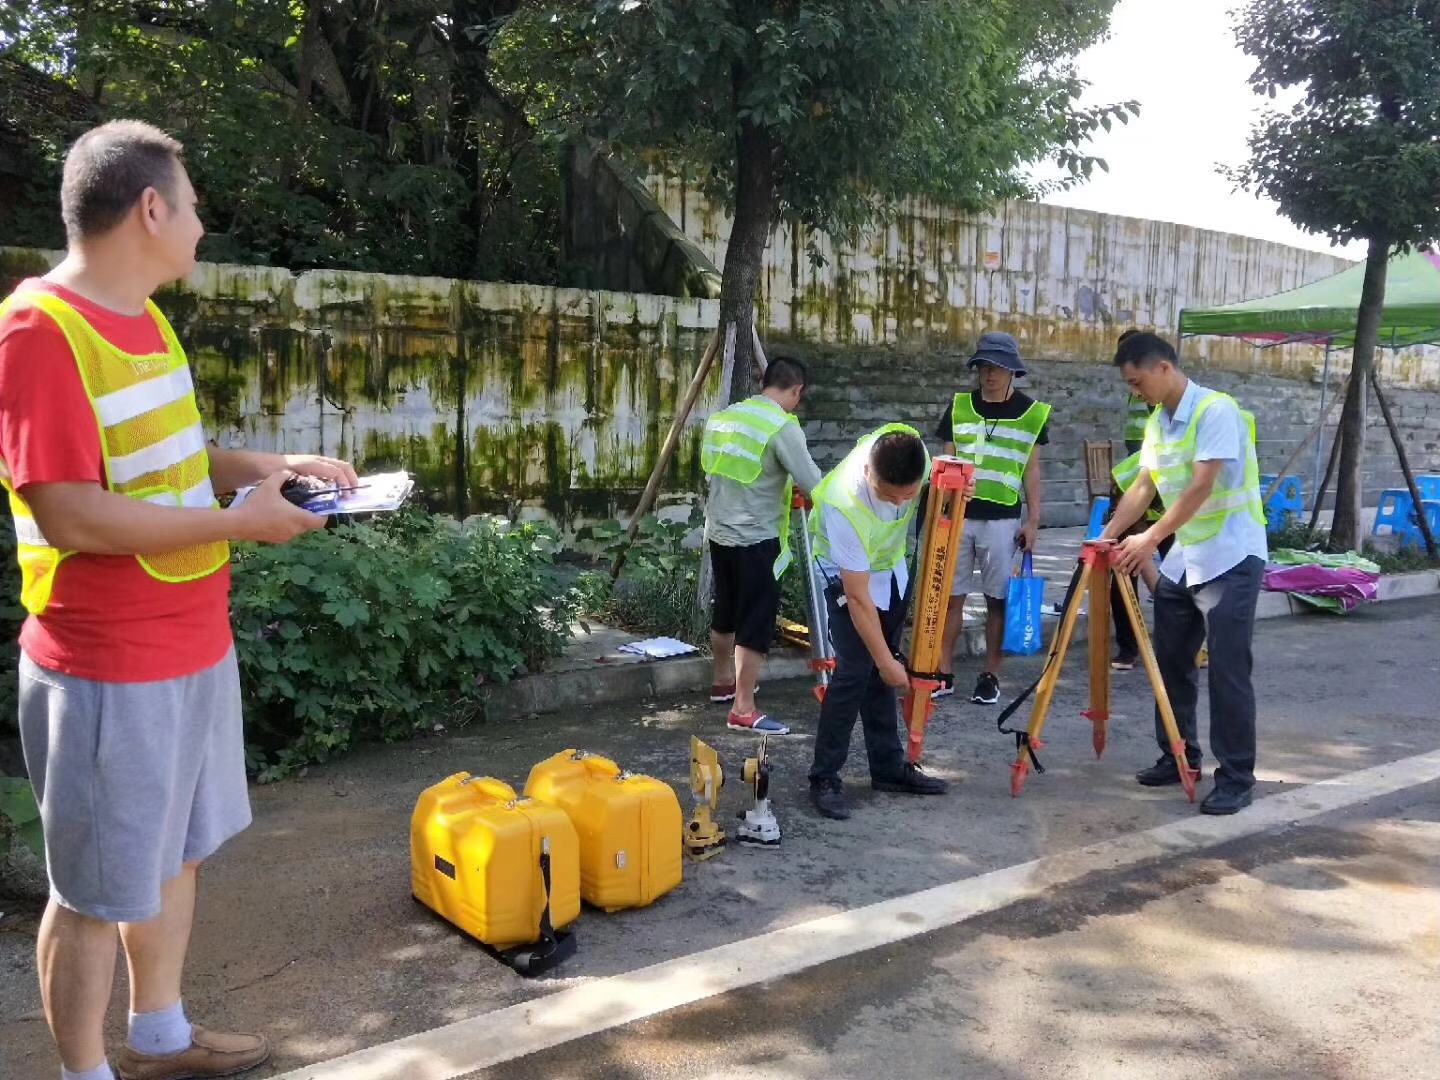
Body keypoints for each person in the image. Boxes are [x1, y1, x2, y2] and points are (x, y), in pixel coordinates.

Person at [0, 120, 358, 1080]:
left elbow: (174, 467)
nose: (201, 227)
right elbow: (71, 511)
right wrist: (240, 524)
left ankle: (159, 1037)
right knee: (88, 893)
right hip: (107, 662)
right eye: (193, 208)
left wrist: (276, 466)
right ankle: (84, 1073)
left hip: (193, 638)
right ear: (150, 209)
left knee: (175, 856)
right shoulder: (39, 330)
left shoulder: (146, 316)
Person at [1101, 332, 1267, 816]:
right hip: (1188, 557)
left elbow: (1199, 486)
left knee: (1228, 671)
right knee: (1170, 659)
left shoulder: (1217, 410)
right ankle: (1179, 755)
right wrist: (1109, 533)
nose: (1136, 392)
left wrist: (1148, 539)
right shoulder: (1159, 421)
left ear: (1163, 368)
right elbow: (1143, 486)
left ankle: (1236, 777)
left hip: (1233, 556)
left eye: (1138, 381)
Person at [806, 425, 950, 820]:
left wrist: (956, 491)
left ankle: (888, 767)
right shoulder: (844, 504)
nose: (903, 502)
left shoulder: (909, 447)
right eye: (892, 495)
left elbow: (943, 480)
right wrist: (888, 664)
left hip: (889, 569)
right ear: (870, 473)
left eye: (910, 494)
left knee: (877, 669)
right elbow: (856, 596)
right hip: (842, 575)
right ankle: (824, 776)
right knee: (856, 669)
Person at [700, 355, 823, 735]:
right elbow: (812, 481)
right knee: (755, 621)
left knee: (726, 610)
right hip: (757, 539)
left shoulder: (725, 417)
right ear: (796, 390)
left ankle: (723, 683)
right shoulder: (781, 426)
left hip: (719, 531)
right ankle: (743, 707)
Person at [932, 331, 1049, 705]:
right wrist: (941, 510)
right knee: (951, 597)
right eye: (984, 366)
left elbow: (1032, 470)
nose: (990, 374)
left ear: (1012, 370)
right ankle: (942, 672)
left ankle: (990, 675)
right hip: (958, 518)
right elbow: (945, 462)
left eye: (998, 367)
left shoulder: (1032, 414)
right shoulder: (959, 407)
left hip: (1003, 520)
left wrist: (1033, 522)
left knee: (997, 599)